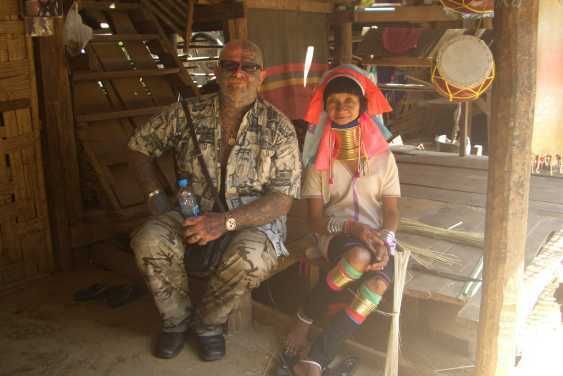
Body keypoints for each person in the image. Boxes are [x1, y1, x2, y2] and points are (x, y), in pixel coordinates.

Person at [127, 40, 302, 361]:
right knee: (149, 240)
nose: (238, 73)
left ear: (261, 75)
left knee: (252, 258)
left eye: (248, 66)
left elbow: (282, 199)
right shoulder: (186, 114)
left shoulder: (279, 128)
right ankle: (176, 320)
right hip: (192, 211)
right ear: (216, 71)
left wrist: (225, 222)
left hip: (254, 222)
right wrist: (156, 198)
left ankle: (208, 323)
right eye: (229, 65)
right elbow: (139, 147)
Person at [283, 65, 400, 376]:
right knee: (358, 255)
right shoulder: (319, 163)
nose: (341, 107)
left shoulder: (383, 157)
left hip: (378, 235)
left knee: (376, 285)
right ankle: (303, 320)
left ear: (363, 107)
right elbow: (315, 220)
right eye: (333, 101)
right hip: (336, 232)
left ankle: (318, 356)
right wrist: (354, 229)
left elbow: (391, 210)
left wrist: (386, 239)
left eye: (350, 100)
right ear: (325, 107)